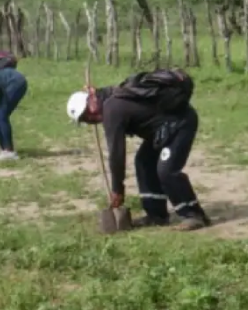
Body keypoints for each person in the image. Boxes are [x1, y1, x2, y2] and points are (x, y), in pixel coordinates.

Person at [65, 68, 211, 231]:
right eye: (85, 119)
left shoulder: (112, 109)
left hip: (180, 124)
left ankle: (193, 215)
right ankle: (156, 215)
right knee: (144, 161)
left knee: (167, 171)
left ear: (92, 100)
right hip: (161, 131)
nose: (91, 119)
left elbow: (116, 154)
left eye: (87, 114)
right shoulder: (111, 98)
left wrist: (117, 189)